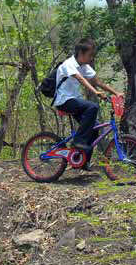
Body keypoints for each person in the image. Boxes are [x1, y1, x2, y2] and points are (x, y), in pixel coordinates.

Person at [53, 38, 124, 168]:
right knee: (93, 106)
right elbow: (80, 79)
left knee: (94, 128)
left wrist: (116, 93)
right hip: (64, 101)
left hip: (74, 100)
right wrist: (95, 92)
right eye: (90, 55)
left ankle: (82, 162)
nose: (91, 58)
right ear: (81, 53)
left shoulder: (84, 66)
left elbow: (98, 82)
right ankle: (78, 141)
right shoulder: (69, 64)